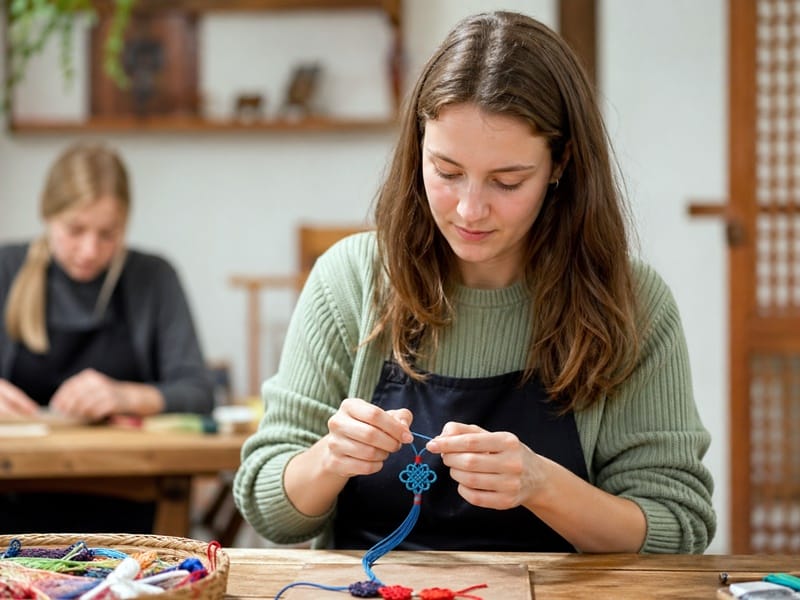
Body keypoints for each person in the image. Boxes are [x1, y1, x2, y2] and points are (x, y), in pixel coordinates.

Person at [233, 11, 716, 554]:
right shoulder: (351, 279)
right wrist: (328, 459)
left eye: (507, 181)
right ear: (417, 147)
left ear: (561, 164)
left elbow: (678, 528)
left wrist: (543, 485)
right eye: (446, 171)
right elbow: (267, 507)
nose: (470, 209)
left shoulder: (633, 303)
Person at [0, 141, 214, 533]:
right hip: (13, 501)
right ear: (47, 215)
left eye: (107, 234)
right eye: (74, 230)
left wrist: (125, 396)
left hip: (131, 510)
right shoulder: (6, 268)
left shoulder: (154, 277)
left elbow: (199, 392)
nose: (89, 250)